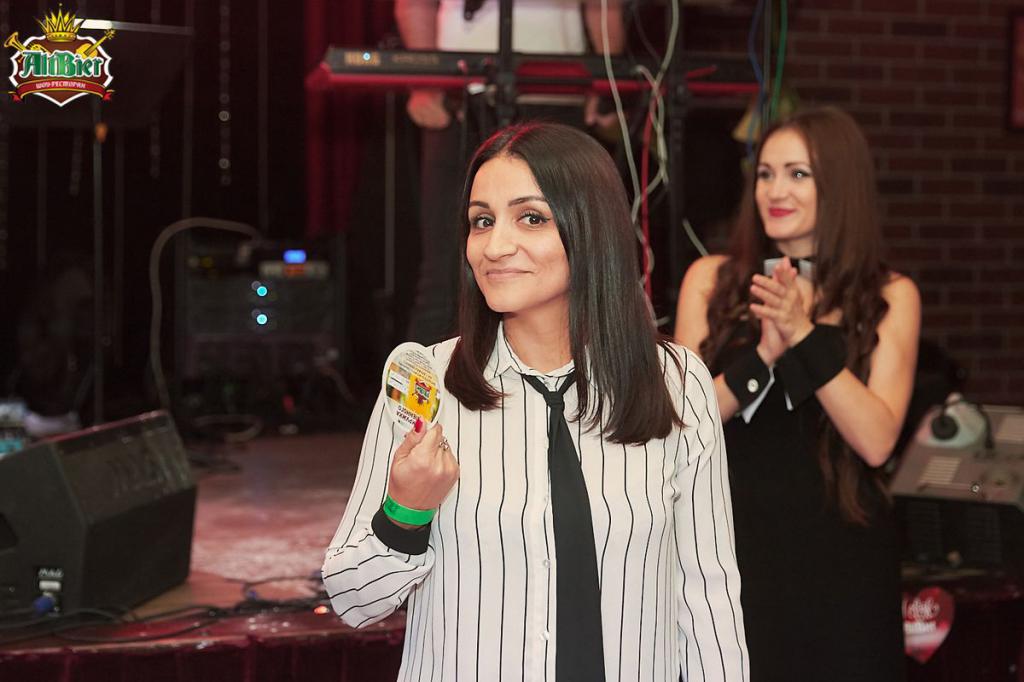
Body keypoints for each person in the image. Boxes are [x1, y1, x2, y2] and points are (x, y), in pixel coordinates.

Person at [324, 122, 748, 681]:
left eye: (531, 218)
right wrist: (407, 511)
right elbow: (353, 600)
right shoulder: (427, 385)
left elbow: (709, 598)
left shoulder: (676, 381)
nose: (495, 246)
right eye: (482, 221)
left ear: (591, 227)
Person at [674, 106, 920, 681]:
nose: (775, 190)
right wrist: (762, 356)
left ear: (839, 184)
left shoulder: (888, 294)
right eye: (765, 174)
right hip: (730, 550)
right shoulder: (711, 279)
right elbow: (679, 424)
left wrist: (803, 335)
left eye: (797, 174)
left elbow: (877, 440)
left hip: (841, 556)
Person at [394, 0, 625, 345]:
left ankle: (587, 373)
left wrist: (606, 81)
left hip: (559, 91)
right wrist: (426, 83)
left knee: (576, 257)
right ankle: (433, 379)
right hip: (463, 96)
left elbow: (603, 6)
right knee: (446, 268)